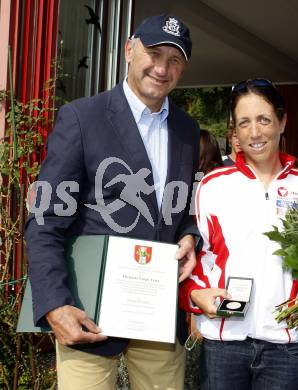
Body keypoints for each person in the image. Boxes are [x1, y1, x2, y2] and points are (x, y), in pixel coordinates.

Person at [25, 14, 200, 390]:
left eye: (175, 60)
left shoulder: (187, 129)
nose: (162, 67)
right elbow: (44, 218)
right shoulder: (82, 118)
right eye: (154, 53)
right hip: (89, 313)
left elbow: (178, 208)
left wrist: (189, 236)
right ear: (128, 51)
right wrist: (55, 304)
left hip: (156, 312)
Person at [179, 78, 298, 390]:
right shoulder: (212, 185)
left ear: (282, 122)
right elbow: (193, 258)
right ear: (234, 130)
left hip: (287, 346)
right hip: (224, 342)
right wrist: (194, 296)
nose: (255, 132)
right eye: (244, 122)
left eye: (264, 119)